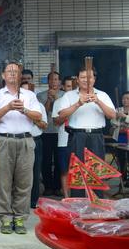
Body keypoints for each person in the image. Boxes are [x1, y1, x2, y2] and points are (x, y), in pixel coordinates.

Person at [0, 62, 43, 234]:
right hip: (4, 140)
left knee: (24, 182)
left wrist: (24, 109)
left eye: (15, 72)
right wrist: (8, 107)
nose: (12, 74)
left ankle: (19, 218)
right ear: (3, 76)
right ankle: (5, 218)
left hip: (25, 140)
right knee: (4, 181)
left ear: (19, 76)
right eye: (9, 71)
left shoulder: (30, 95)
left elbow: (38, 116)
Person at [57, 66, 116, 198]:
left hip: (96, 136)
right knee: (77, 172)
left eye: (90, 77)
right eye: (83, 77)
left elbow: (112, 115)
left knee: (96, 171)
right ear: (77, 80)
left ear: (94, 79)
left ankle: (97, 205)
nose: (86, 80)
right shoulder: (69, 95)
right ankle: (78, 205)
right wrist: (78, 103)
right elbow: (61, 115)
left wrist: (98, 101)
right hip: (77, 136)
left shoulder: (102, 95)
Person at [36, 71, 64, 196]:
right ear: (48, 81)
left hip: (60, 132)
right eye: (51, 79)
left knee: (59, 160)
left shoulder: (65, 95)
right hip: (46, 132)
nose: (54, 81)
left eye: (56, 79)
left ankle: (57, 187)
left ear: (59, 82)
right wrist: (48, 98)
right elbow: (43, 112)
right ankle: (48, 186)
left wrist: (56, 98)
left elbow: (62, 111)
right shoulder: (40, 95)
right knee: (45, 160)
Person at [22, 81, 48, 209]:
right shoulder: (16, 106)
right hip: (21, 140)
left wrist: (33, 117)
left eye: (29, 91)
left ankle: (33, 200)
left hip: (36, 140)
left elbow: (44, 125)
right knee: (20, 172)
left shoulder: (39, 106)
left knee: (35, 171)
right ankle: (20, 201)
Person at [52, 77, 77, 198]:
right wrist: (66, 113)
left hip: (78, 139)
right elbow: (55, 122)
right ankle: (67, 196)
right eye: (67, 86)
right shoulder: (58, 102)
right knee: (64, 170)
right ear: (63, 87)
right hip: (63, 140)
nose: (70, 89)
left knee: (78, 170)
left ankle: (78, 195)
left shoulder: (81, 101)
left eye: (72, 86)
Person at [111, 91, 129, 186]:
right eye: (123, 98)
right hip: (120, 137)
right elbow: (112, 122)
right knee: (121, 158)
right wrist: (118, 119)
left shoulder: (123, 113)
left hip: (128, 137)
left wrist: (125, 117)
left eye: (127, 98)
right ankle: (123, 179)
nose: (125, 100)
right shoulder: (118, 109)